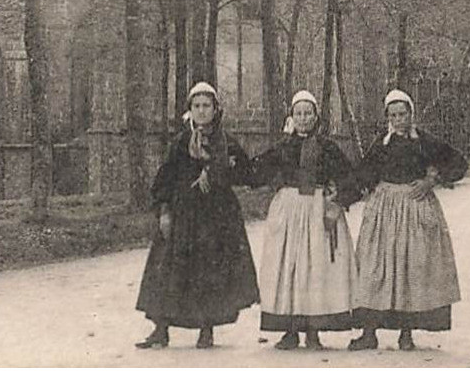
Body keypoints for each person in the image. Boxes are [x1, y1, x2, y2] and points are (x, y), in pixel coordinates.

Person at [135, 81, 261, 350]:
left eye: (207, 106)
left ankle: (207, 328)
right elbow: (166, 178)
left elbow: (248, 175)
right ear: (190, 110)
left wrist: (225, 167)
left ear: (216, 110)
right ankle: (161, 329)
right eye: (197, 106)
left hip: (215, 216)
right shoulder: (180, 142)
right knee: (170, 269)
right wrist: (164, 211)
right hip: (183, 214)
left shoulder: (226, 143)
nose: (201, 112)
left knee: (209, 270)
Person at [350, 89, 468, 352]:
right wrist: (350, 193)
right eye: (393, 115)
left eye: (402, 114)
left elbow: (459, 162)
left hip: (415, 210)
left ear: (411, 114)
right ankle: (369, 333)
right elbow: (364, 172)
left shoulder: (425, 141)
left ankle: (406, 334)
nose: (398, 120)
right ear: (387, 117)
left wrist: (431, 180)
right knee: (374, 270)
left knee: (410, 270)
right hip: (384, 210)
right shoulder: (381, 143)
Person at [244, 90, 361, 351]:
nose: (304, 118)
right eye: (299, 113)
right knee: (289, 269)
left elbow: (350, 178)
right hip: (288, 213)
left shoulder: (327, 147)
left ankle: (314, 331)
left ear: (316, 116)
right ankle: (289, 331)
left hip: (318, 211)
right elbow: (256, 172)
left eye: (308, 113)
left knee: (316, 270)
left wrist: (337, 199)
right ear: (292, 116)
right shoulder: (283, 146)